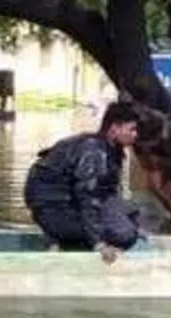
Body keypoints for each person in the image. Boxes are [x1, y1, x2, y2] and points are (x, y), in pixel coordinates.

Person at [23, 101, 143, 263]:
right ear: (114, 128)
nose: (135, 134)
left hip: (68, 203)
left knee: (130, 214)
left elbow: (109, 194)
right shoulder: (94, 151)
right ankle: (62, 238)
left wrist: (128, 221)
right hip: (54, 208)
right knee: (124, 235)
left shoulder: (111, 150)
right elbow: (88, 198)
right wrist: (98, 244)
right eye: (132, 129)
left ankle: (67, 237)